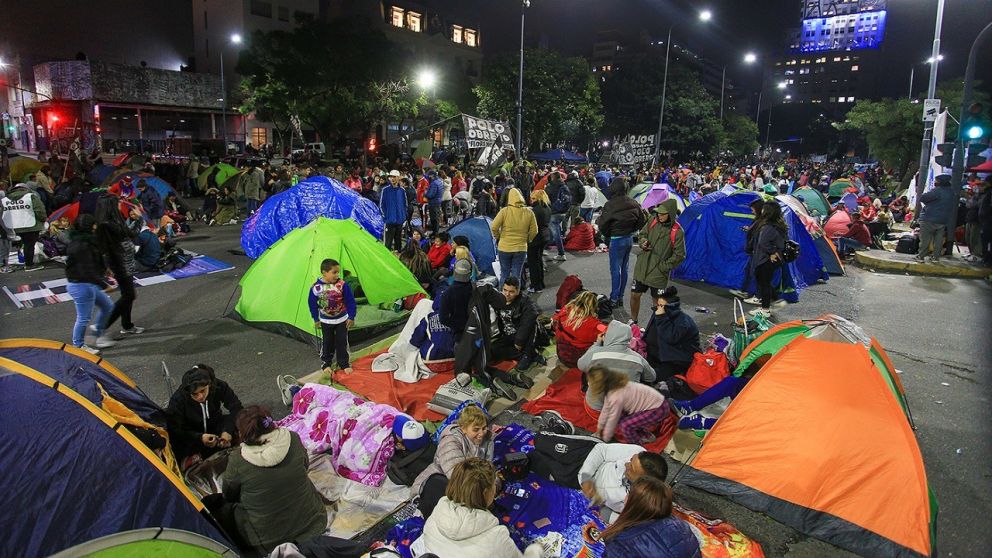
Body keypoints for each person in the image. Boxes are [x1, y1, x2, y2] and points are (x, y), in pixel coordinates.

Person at [208, 405, 327, 553]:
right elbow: (305, 466)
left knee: (218, 509)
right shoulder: (293, 439)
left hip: (269, 542)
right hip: (314, 522)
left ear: (242, 433)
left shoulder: (238, 460)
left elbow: (229, 495)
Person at [414, 457, 541, 558]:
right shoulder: (497, 538)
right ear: (486, 493)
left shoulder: (435, 515)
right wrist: (535, 550)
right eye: (493, 486)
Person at [411, 405, 494, 518]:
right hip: (441, 481)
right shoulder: (450, 442)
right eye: (476, 429)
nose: (481, 433)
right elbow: (457, 475)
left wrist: (492, 483)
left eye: (484, 428)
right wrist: (484, 489)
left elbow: (488, 468)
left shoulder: (487, 441)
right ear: (463, 428)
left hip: (467, 481)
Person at [601, 477, 701, 558]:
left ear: (635, 502)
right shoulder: (681, 525)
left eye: (629, 492)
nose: (626, 496)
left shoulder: (622, 543)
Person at [165, 364, 243, 467]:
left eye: (203, 391)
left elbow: (236, 407)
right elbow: (174, 429)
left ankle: (225, 443)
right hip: (192, 433)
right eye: (195, 394)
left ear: (209, 385)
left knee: (241, 420)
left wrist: (227, 430)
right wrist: (199, 437)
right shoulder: (178, 400)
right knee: (174, 440)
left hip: (215, 425)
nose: (200, 397)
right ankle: (193, 456)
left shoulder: (219, 386)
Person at [64, 214, 116, 353]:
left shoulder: (81, 241)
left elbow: (94, 260)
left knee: (108, 306)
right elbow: (86, 270)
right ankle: (79, 346)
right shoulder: (83, 245)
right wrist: (104, 285)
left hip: (85, 283)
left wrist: (105, 269)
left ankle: (98, 333)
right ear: (90, 226)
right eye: (94, 224)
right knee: (83, 318)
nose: (96, 227)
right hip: (81, 285)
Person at [578, 320, 656, 411]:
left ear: (609, 336)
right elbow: (652, 377)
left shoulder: (596, 353)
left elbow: (580, 365)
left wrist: (597, 344)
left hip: (594, 409)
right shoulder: (638, 359)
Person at [94, 196, 144, 336]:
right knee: (129, 295)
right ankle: (101, 326)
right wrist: (139, 219)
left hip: (124, 261)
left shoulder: (112, 221)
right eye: (118, 204)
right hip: (120, 263)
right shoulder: (108, 224)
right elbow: (131, 233)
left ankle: (127, 325)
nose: (120, 206)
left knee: (127, 295)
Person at [631, 199, 685, 325]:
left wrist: (664, 267)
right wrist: (642, 242)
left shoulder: (677, 232)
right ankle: (633, 321)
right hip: (642, 267)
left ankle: (656, 326)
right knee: (634, 294)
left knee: (657, 302)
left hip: (659, 272)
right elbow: (642, 234)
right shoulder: (652, 220)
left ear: (670, 214)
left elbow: (680, 255)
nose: (659, 216)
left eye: (662, 214)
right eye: (658, 213)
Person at [588, 365, 668, 445]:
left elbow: (613, 419)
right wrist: (599, 430)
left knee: (626, 426)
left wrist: (605, 439)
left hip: (658, 408)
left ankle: (636, 446)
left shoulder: (615, 396)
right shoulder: (615, 385)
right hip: (655, 404)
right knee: (623, 418)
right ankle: (646, 436)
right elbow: (606, 411)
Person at [598, 177, 646, 306]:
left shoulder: (610, 204)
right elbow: (641, 221)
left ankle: (613, 298)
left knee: (615, 270)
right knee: (624, 269)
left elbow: (602, 224)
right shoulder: (634, 203)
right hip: (628, 239)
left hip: (616, 239)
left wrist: (609, 234)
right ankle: (620, 297)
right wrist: (631, 230)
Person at [308, 258, 357, 374]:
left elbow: (350, 301)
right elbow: (312, 304)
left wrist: (351, 316)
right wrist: (316, 319)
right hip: (326, 321)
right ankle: (326, 363)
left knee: (341, 342)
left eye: (338, 272)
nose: (337, 275)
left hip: (342, 320)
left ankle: (343, 363)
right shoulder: (316, 288)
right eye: (334, 272)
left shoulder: (342, 285)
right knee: (327, 342)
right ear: (324, 273)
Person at [644, 286, 700, 381]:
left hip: (676, 362)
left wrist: (661, 317)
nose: (657, 307)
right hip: (658, 356)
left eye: (660, 305)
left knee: (648, 377)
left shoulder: (682, 322)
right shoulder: (661, 314)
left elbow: (669, 337)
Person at [489, 276, 541, 374]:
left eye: (511, 291)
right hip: (507, 335)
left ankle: (527, 355)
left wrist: (519, 341)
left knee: (532, 325)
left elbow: (529, 319)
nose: (507, 294)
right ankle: (527, 355)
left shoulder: (525, 301)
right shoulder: (498, 299)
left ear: (518, 291)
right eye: (505, 290)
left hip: (522, 335)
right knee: (491, 350)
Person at [491, 187, 537, 285]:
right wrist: (528, 239)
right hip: (521, 248)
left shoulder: (504, 211)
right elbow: (534, 231)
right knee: (517, 275)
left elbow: (494, 227)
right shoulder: (529, 212)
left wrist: (498, 237)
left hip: (504, 248)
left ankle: (502, 298)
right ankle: (515, 298)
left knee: (504, 274)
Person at [749, 202, 788, 317]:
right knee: (766, 282)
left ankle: (765, 309)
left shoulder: (767, 227)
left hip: (765, 259)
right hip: (775, 259)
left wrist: (772, 252)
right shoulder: (781, 225)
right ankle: (776, 300)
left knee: (763, 283)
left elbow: (763, 243)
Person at [551, 291, 603, 369]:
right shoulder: (594, 324)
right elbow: (608, 333)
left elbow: (554, 323)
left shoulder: (565, 310)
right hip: (580, 361)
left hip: (562, 355)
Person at [4, 182, 47, 271]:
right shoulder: (31, 196)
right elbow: (40, 210)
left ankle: (10, 264)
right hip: (30, 225)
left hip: (12, 226)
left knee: (12, 245)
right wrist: (43, 220)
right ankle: (29, 265)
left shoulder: (5, 199)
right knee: (29, 245)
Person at [916, 174, 956, 263]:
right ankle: (935, 257)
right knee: (938, 239)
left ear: (940, 182)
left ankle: (921, 256)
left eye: (936, 181)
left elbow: (923, 198)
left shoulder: (937, 191)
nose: (935, 182)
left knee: (925, 238)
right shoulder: (951, 192)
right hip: (943, 219)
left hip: (929, 218)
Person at [527, 189, 552, 292]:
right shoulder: (547, 208)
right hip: (544, 236)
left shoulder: (534, 210)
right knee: (539, 260)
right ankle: (540, 283)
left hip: (535, 238)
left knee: (533, 262)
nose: (531, 200)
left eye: (533, 198)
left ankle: (535, 285)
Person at [381, 170, 408, 252]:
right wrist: (386, 218)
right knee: (387, 245)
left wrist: (403, 218)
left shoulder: (402, 190)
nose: (392, 179)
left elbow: (405, 205)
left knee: (398, 245)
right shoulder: (385, 190)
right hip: (389, 222)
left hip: (399, 221)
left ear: (399, 178)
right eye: (391, 177)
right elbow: (382, 205)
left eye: (394, 177)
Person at [545, 171, 569, 261]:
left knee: (555, 233)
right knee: (553, 230)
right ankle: (545, 247)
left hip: (554, 212)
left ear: (553, 178)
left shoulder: (550, 187)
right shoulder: (564, 186)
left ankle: (561, 253)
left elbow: (546, 200)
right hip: (563, 212)